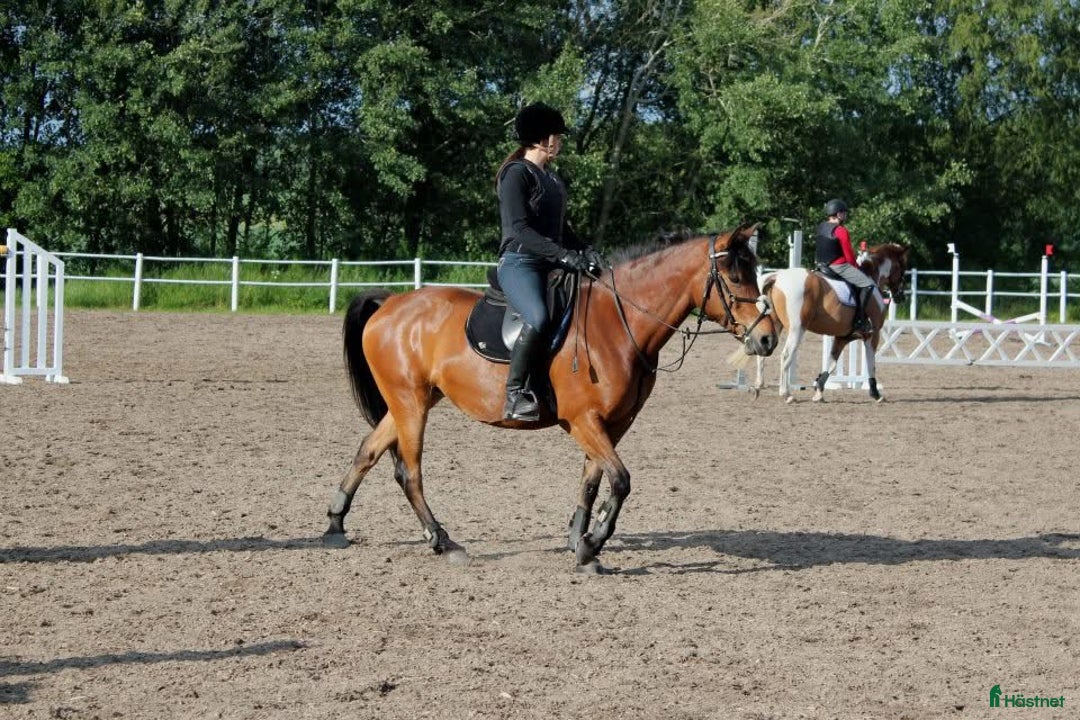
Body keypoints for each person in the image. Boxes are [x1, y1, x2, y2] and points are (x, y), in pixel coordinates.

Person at [495, 102, 604, 421]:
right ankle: (514, 394)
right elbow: (520, 229)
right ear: (543, 139)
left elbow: (562, 230)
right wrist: (562, 255)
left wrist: (585, 251)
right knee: (539, 317)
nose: (561, 141)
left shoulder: (551, 179)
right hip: (520, 262)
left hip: (549, 263)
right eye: (558, 136)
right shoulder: (515, 175)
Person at [815, 198, 875, 335]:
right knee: (867, 284)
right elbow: (848, 255)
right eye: (843, 212)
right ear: (837, 214)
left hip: (821, 265)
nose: (845, 215)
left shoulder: (821, 227)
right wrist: (856, 268)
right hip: (838, 266)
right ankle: (859, 321)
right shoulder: (841, 230)